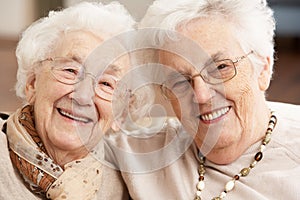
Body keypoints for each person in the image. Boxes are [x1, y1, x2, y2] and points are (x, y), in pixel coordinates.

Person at [93, 0, 300, 199]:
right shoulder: (141, 156)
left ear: (263, 69)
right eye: (180, 82)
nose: (201, 96)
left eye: (220, 68)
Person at [0, 2, 135, 199]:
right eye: (70, 71)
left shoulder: (129, 183)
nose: (83, 96)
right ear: (32, 83)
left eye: (106, 83)